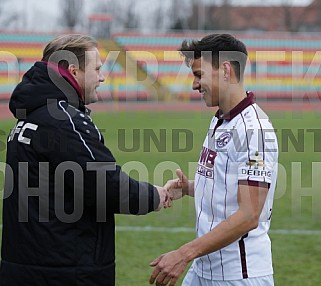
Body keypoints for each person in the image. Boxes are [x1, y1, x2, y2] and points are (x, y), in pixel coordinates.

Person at [0, 34, 170, 286]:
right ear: (73, 71)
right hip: (64, 270)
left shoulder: (30, 117)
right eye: (98, 69)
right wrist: (156, 196)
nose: (102, 77)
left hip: (25, 265)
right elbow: (105, 185)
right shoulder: (63, 119)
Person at [149, 34, 278, 286]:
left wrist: (183, 254)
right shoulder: (221, 119)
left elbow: (249, 214)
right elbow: (230, 189)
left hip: (238, 275)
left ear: (226, 71)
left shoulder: (254, 131)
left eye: (200, 75)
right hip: (204, 269)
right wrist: (190, 188)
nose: (195, 84)